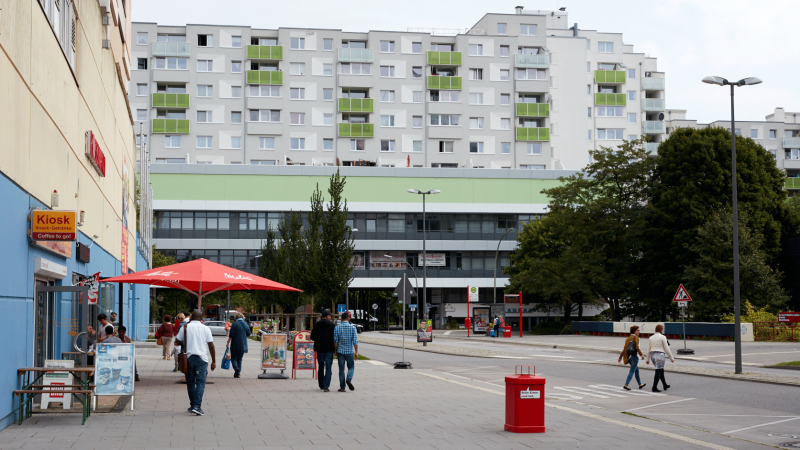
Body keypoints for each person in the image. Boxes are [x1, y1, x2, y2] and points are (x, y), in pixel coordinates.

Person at [175, 310, 216, 416]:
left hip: (187, 359)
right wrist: (214, 361)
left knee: (190, 383)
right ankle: (197, 407)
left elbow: (177, 340)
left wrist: (185, 341)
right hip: (201, 359)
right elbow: (211, 346)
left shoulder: (185, 327)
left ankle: (193, 405)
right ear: (201, 318)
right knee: (200, 383)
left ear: (191, 317)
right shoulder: (205, 328)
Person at [310, 310, 335, 392]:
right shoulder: (332, 325)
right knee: (328, 368)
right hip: (329, 349)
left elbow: (312, 337)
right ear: (327, 316)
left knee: (320, 367)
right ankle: (326, 386)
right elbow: (335, 338)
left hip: (319, 349)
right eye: (330, 316)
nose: (330, 317)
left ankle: (321, 384)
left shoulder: (317, 325)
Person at [333, 311, 358, 392]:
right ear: (349, 318)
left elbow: (335, 341)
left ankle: (342, 387)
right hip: (349, 351)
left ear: (341, 319)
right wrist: (356, 352)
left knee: (341, 370)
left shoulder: (337, 328)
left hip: (340, 351)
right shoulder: (353, 328)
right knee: (351, 367)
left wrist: (335, 350)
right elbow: (355, 341)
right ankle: (349, 379)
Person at [618, 325, 647, 391]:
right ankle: (626, 384)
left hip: (629, 357)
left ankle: (640, 384)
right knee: (632, 371)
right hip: (634, 357)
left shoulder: (628, 338)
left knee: (636, 370)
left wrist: (620, 357)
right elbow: (637, 347)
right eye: (638, 330)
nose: (639, 331)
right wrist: (641, 354)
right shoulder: (636, 337)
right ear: (634, 331)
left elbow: (624, 349)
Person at [648, 324, 675, 392]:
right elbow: (667, 348)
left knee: (660, 370)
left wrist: (647, 359)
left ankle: (664, 385)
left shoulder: (651, 337)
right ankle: (654, 387)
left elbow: (648, 349)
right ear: (661, 330)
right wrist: (671, 358)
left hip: (652, 355)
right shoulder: (663, 337)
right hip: (660, 355)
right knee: (658, 371)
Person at [226, 312, 251, 378]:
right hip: (243, 345)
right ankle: (238, 373)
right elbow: (249, 333)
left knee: (233, 358)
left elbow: (231, 335)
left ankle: (236, 368)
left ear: (236, 318)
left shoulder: (234, 324)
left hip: (235, 344)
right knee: (239, 359)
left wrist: (228, 342)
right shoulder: (245, 324)